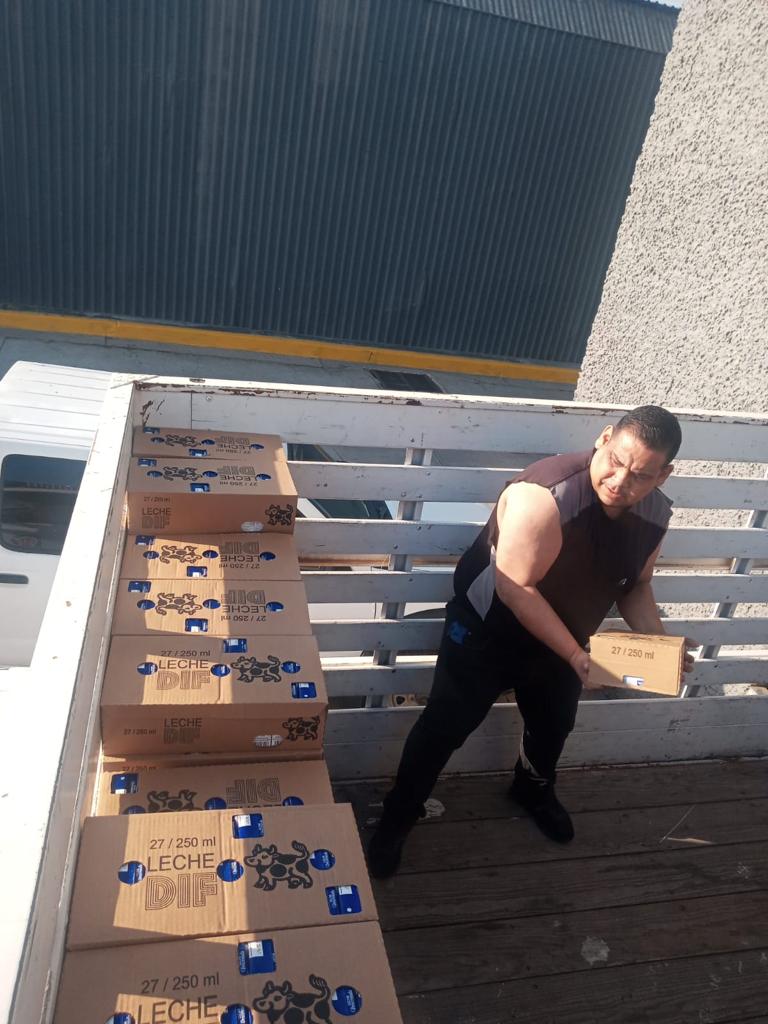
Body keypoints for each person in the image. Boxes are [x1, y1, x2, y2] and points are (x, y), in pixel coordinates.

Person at [367, 404, 692, 879]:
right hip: (488, 629)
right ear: (603, 439)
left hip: (563, 636)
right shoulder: (543, 496)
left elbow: (636, 585)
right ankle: (399, 813)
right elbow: (515, 587)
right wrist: (577, 656)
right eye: (616, 461)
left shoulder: (656, 514)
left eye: (641, 475)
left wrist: (660, 646)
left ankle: (532, 789)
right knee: (444, 726)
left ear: (663, 476)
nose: (621, 480)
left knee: (554, 724)